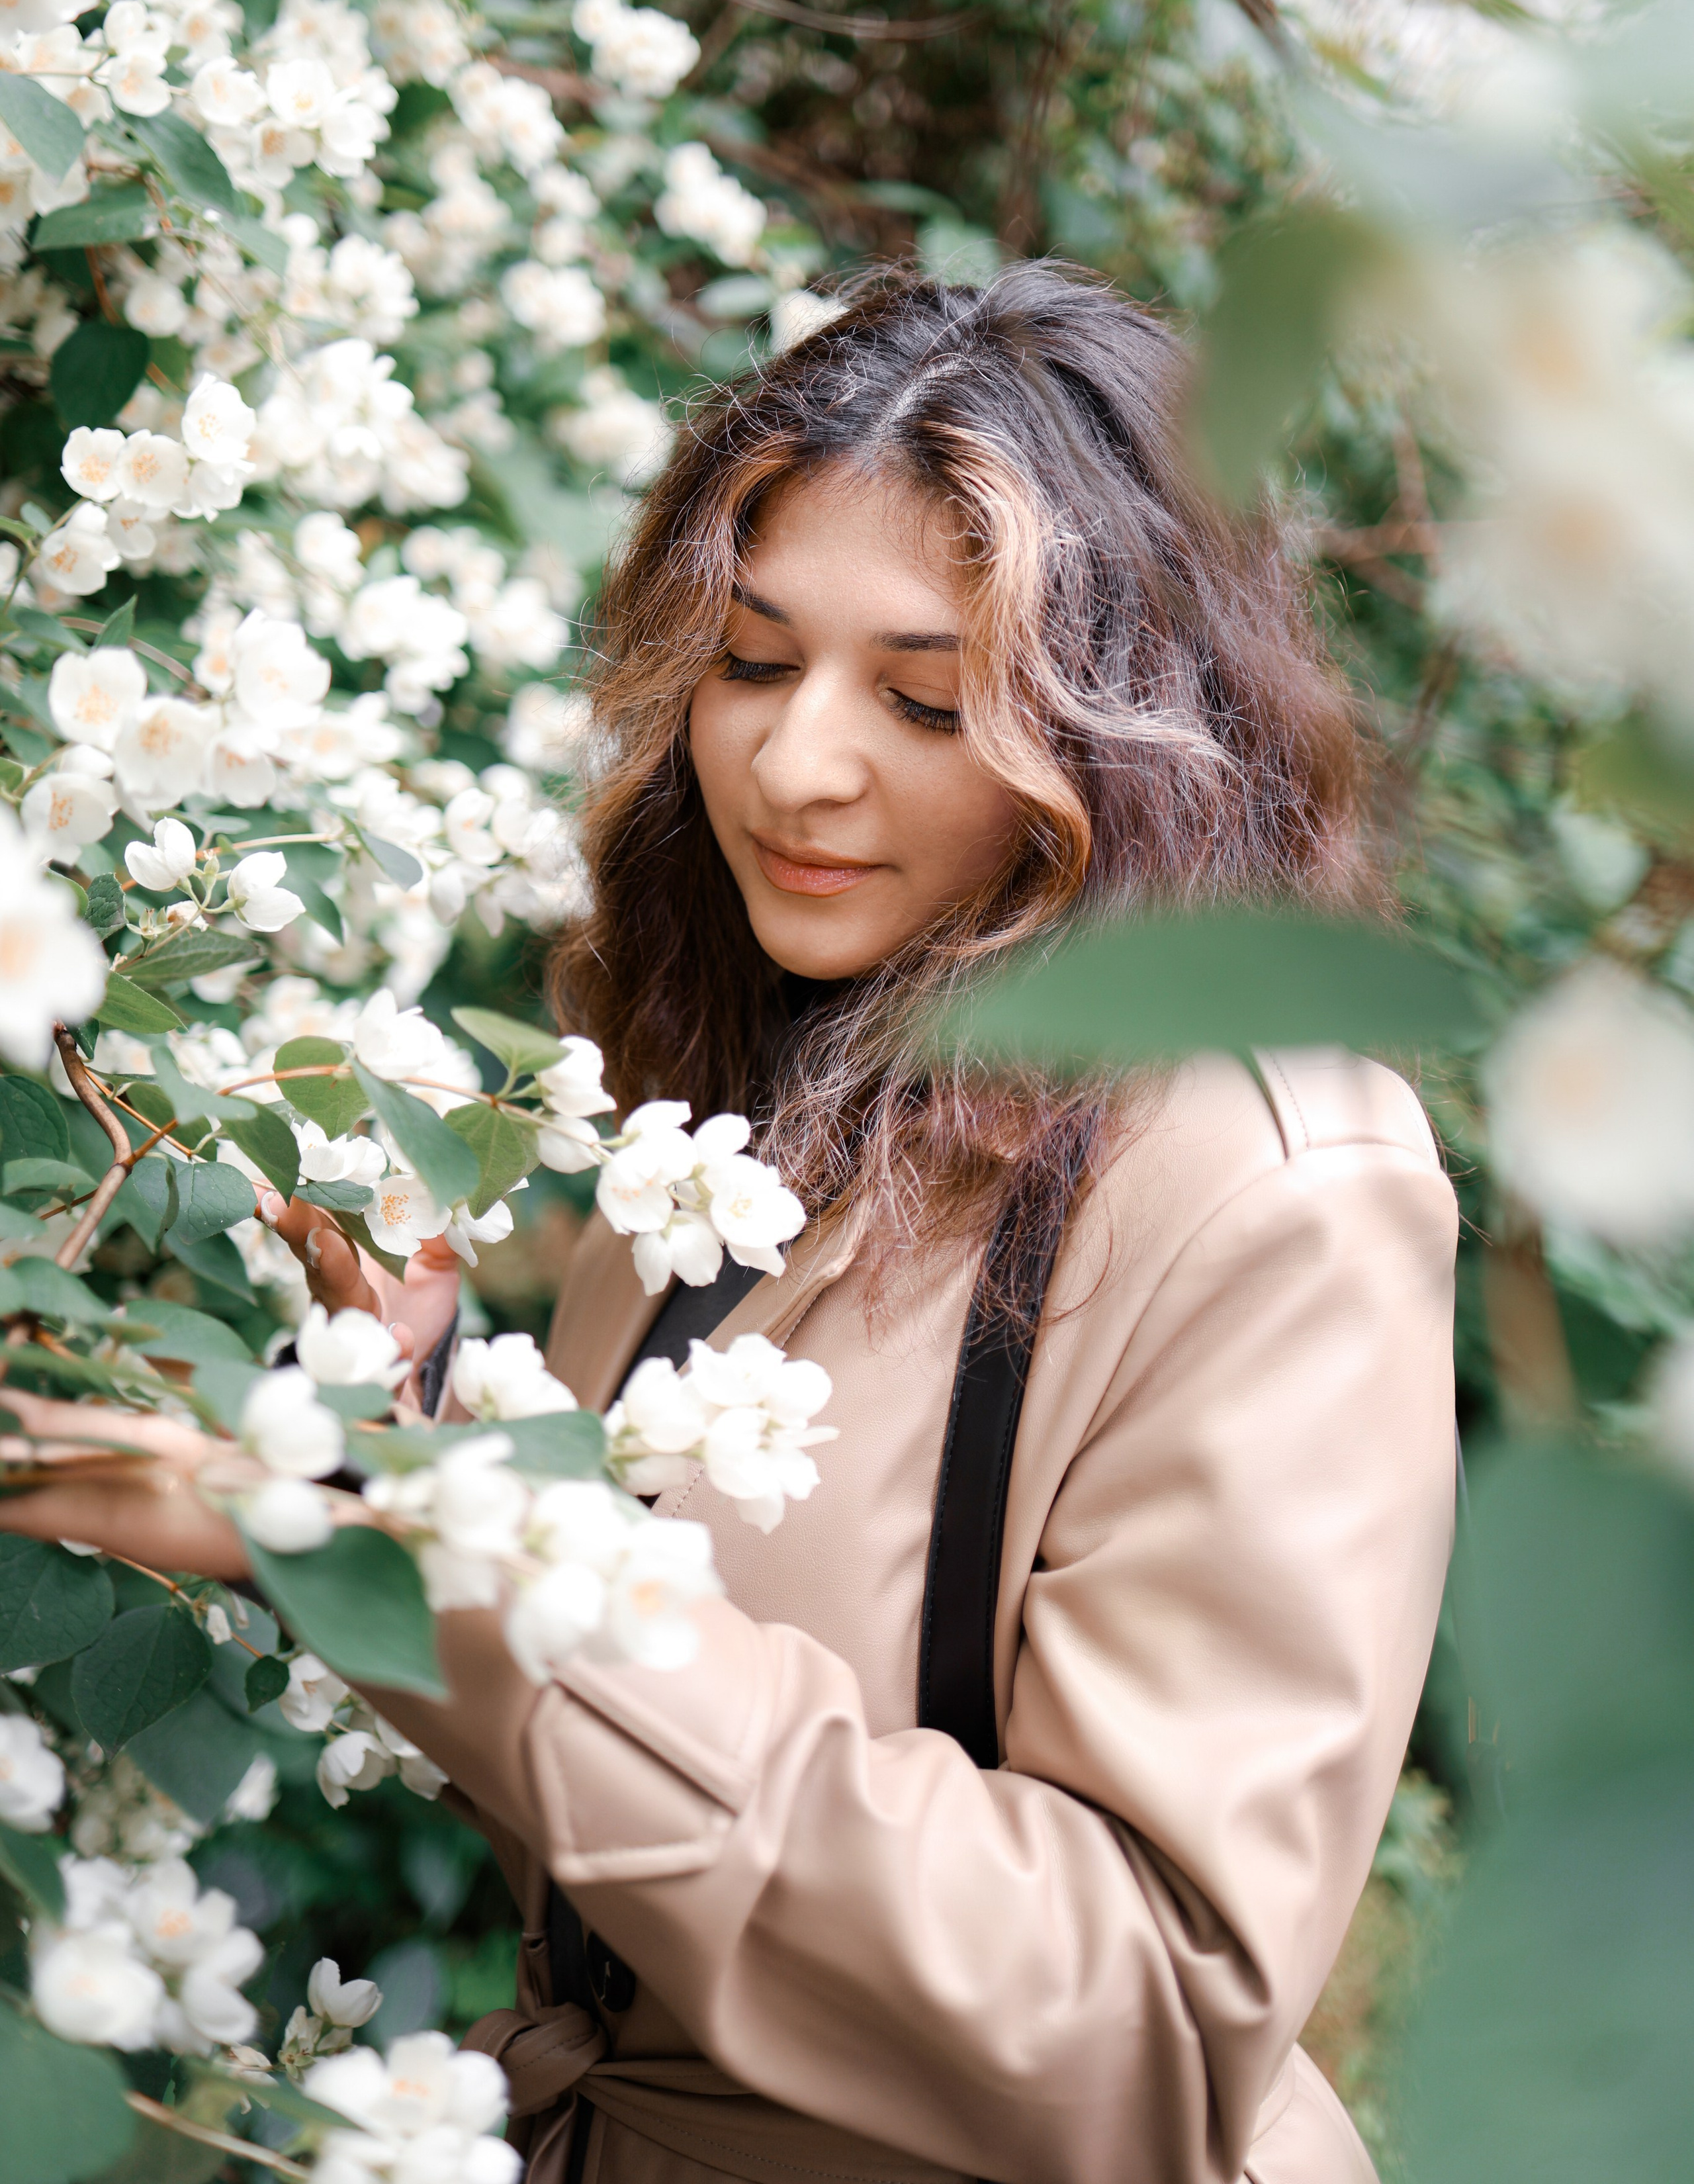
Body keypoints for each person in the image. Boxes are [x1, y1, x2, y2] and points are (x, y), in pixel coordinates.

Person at [1, 265, 1457, 2184]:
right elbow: (633, 1742)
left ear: (1131, 731)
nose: (797, 764)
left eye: (928, 695)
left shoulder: (1273, 1184)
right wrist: (394, 1436)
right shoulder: (764, 1044)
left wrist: (445, 1556)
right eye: (755, 663)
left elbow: (1142, 2021)